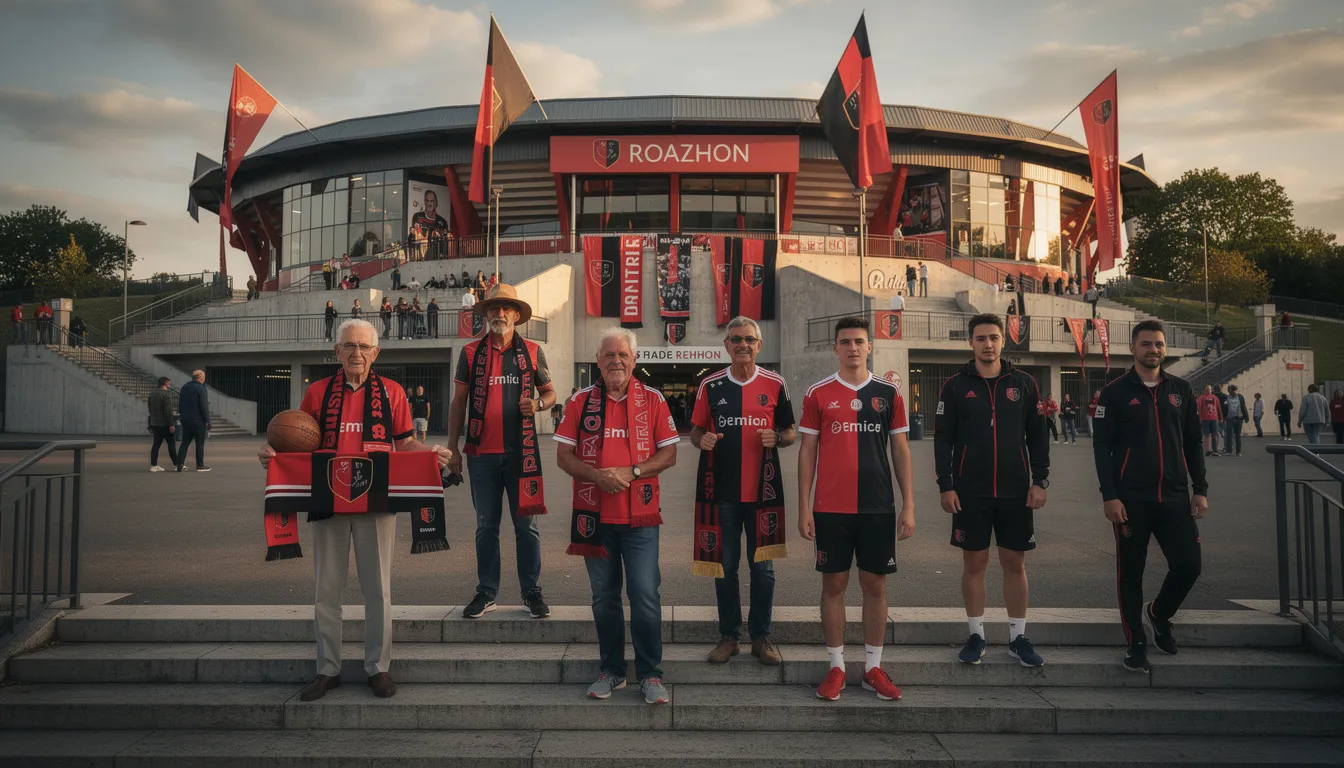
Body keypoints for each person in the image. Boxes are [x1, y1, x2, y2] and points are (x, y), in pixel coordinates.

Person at [257, 319, 452, 702]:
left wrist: (432, 454)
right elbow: (297, 442)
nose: (356, 353)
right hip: (327, 498)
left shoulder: (393, 392)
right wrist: (272, 456)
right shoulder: (316, 392)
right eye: (349, 346)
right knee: (326, 589)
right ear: (337, 353)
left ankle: (378, 667)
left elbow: (405, 443)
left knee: (378, 588)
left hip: (377, 499)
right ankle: (326, 669)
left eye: (364, 347)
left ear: (376, 353)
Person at [554, 328, 679, 704]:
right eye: (609, 355)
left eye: (623, 355)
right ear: (598, 361)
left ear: (634, 360)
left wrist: (632, 472)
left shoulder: (654, 400)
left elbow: (669, 454)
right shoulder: (580, 401)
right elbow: (564, 456)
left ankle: (650, 674)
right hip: (595, 519)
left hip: (640, 520)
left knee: (643, 595)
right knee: (604, 597)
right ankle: (611, 671)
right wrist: (598, 476)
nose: (616, 361)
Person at [797, 316, 915, 702]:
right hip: (830, 508)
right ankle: (836, 666)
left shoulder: (888, 393)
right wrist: (804, 507)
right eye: (845, 341)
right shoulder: (818, 393)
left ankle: (872, 668)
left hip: (878, 508)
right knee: (833, 585)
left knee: (874, 586)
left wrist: (908, 505)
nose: (852, 347)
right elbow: (807, 452)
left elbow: (900, 450)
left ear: (869, 347)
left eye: (859, 341)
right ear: (835, 347)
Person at [1092, 319, 1207, 673]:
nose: (1153, 350)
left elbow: (1193, 442)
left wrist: (1200, 489)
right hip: (1131, 501)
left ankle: (1158, 614)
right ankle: (1136, 643)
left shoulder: (1181, 391)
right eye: (1146, 344)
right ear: (1133, 348)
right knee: (1131, 573)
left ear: (1164, 348)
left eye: (1158, 344)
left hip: (1174, 497)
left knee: (1189, 565)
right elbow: (1102, 448)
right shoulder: (1113, 393)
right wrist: (1110, 496)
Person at [935, 314, 1048, 668]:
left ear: (1003, 342)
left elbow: (1039, 436)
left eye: (994, 337)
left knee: (1014, 562)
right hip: (971, 491)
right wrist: (946, 485)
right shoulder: (955, 386)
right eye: (981, 338)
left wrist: (1040, 481)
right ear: (971, 342)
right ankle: (976, 634)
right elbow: (943, 440)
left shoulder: (1025, 383)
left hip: (1016, 490)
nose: (988, 344)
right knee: (975, 562)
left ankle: (1018, 638)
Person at [690, 317, 797, 667]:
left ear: (759, 345)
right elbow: (695, 432)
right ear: (726, 345)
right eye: (736, 339)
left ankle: (761, 636)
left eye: (749, 340)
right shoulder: (710, 385)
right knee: (725, 567)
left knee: (763, 570)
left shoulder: (775, 383)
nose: (743, 345)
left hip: (763, 495)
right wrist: (702, 440)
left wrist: (778, 438)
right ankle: (730, 636)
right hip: (721, 494)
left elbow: (791, 430)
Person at [447, 284, 557, 620]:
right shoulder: (469, 353)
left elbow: (551, 394)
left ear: (516, 315)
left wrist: (538, 404)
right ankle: (486, 592)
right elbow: (459, 402)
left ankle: (531, 591)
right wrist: (452, 448)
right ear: (486, 313)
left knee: (527, 528)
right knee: (485, 526)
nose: (500, 314)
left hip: (521, 454)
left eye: (507, 308)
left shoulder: (534, 350)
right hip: (481, 455)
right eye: (494, 308)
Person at [176, 370, 211, 472]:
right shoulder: (201, 388)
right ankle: (200, 465)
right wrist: (208, 420)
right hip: (198, 420)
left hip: (185, 419)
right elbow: (204, 406)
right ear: (200, 378)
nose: (204, 379)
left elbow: (180, 403)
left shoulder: (184, 387)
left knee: (185, 442)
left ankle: (180, 465)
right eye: (203, 377)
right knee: (199, 443)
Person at [147, 376, 178, 472]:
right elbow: (168, 411)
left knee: (156, 445)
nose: (170, 384)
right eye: (169, 382)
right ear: (165, 383)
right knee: (171, 444)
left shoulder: (152, 394)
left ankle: (154, 465)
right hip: (165, 424)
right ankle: (177, 464)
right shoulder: (166, 395)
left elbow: (150, 407)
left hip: (155, 423)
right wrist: (171, 424)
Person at [1196, 384, 1223, 457]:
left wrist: (1221, 417)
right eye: (1207, 389)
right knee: (1206, 435)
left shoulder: (1215, 398)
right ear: (1205, 390)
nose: (1209, 391)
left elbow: (1219, 408)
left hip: (1214, 418)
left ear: (1212, 390)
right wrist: (1200, 419)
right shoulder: (1202, 398)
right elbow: (1199, 408)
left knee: (1214, 435)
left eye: (1210, 389)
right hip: (1205, 419)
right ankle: (1207, 450)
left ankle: (1215, 450)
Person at [1223, 385, 1248, 457]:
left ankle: (1238, 452)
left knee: (1238, 436)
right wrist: (1223, 417)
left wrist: (1246, 417)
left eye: (1231, 390)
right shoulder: (1227, 397)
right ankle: (1229, 451)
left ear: (1234, 390)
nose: (1229, 391)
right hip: (1230, 419)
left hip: (1239, 419)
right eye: (1229, 390)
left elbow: (1243, 406)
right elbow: (1224, 408)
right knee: (1229, 436)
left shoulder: (1240, 397)